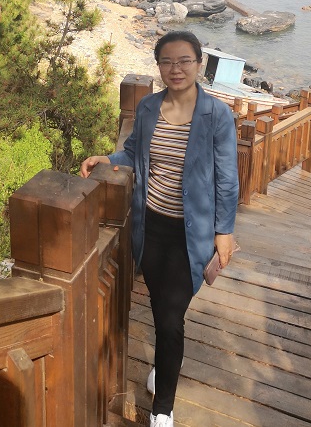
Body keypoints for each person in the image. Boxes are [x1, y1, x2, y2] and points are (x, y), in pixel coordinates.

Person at [81, 30, 239, 427]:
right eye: (167, 61)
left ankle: (162, 408)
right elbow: (136, 151)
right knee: (161, 308)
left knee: (170, 318)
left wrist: (224, 232)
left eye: (184, 60)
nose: (176, 68)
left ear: (199, 63)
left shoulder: (217, 115)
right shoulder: (149, 107)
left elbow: (227, 180)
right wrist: (109, 159)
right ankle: (167, 363)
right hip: (150, 227)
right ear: (159, 67)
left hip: (192, 234)